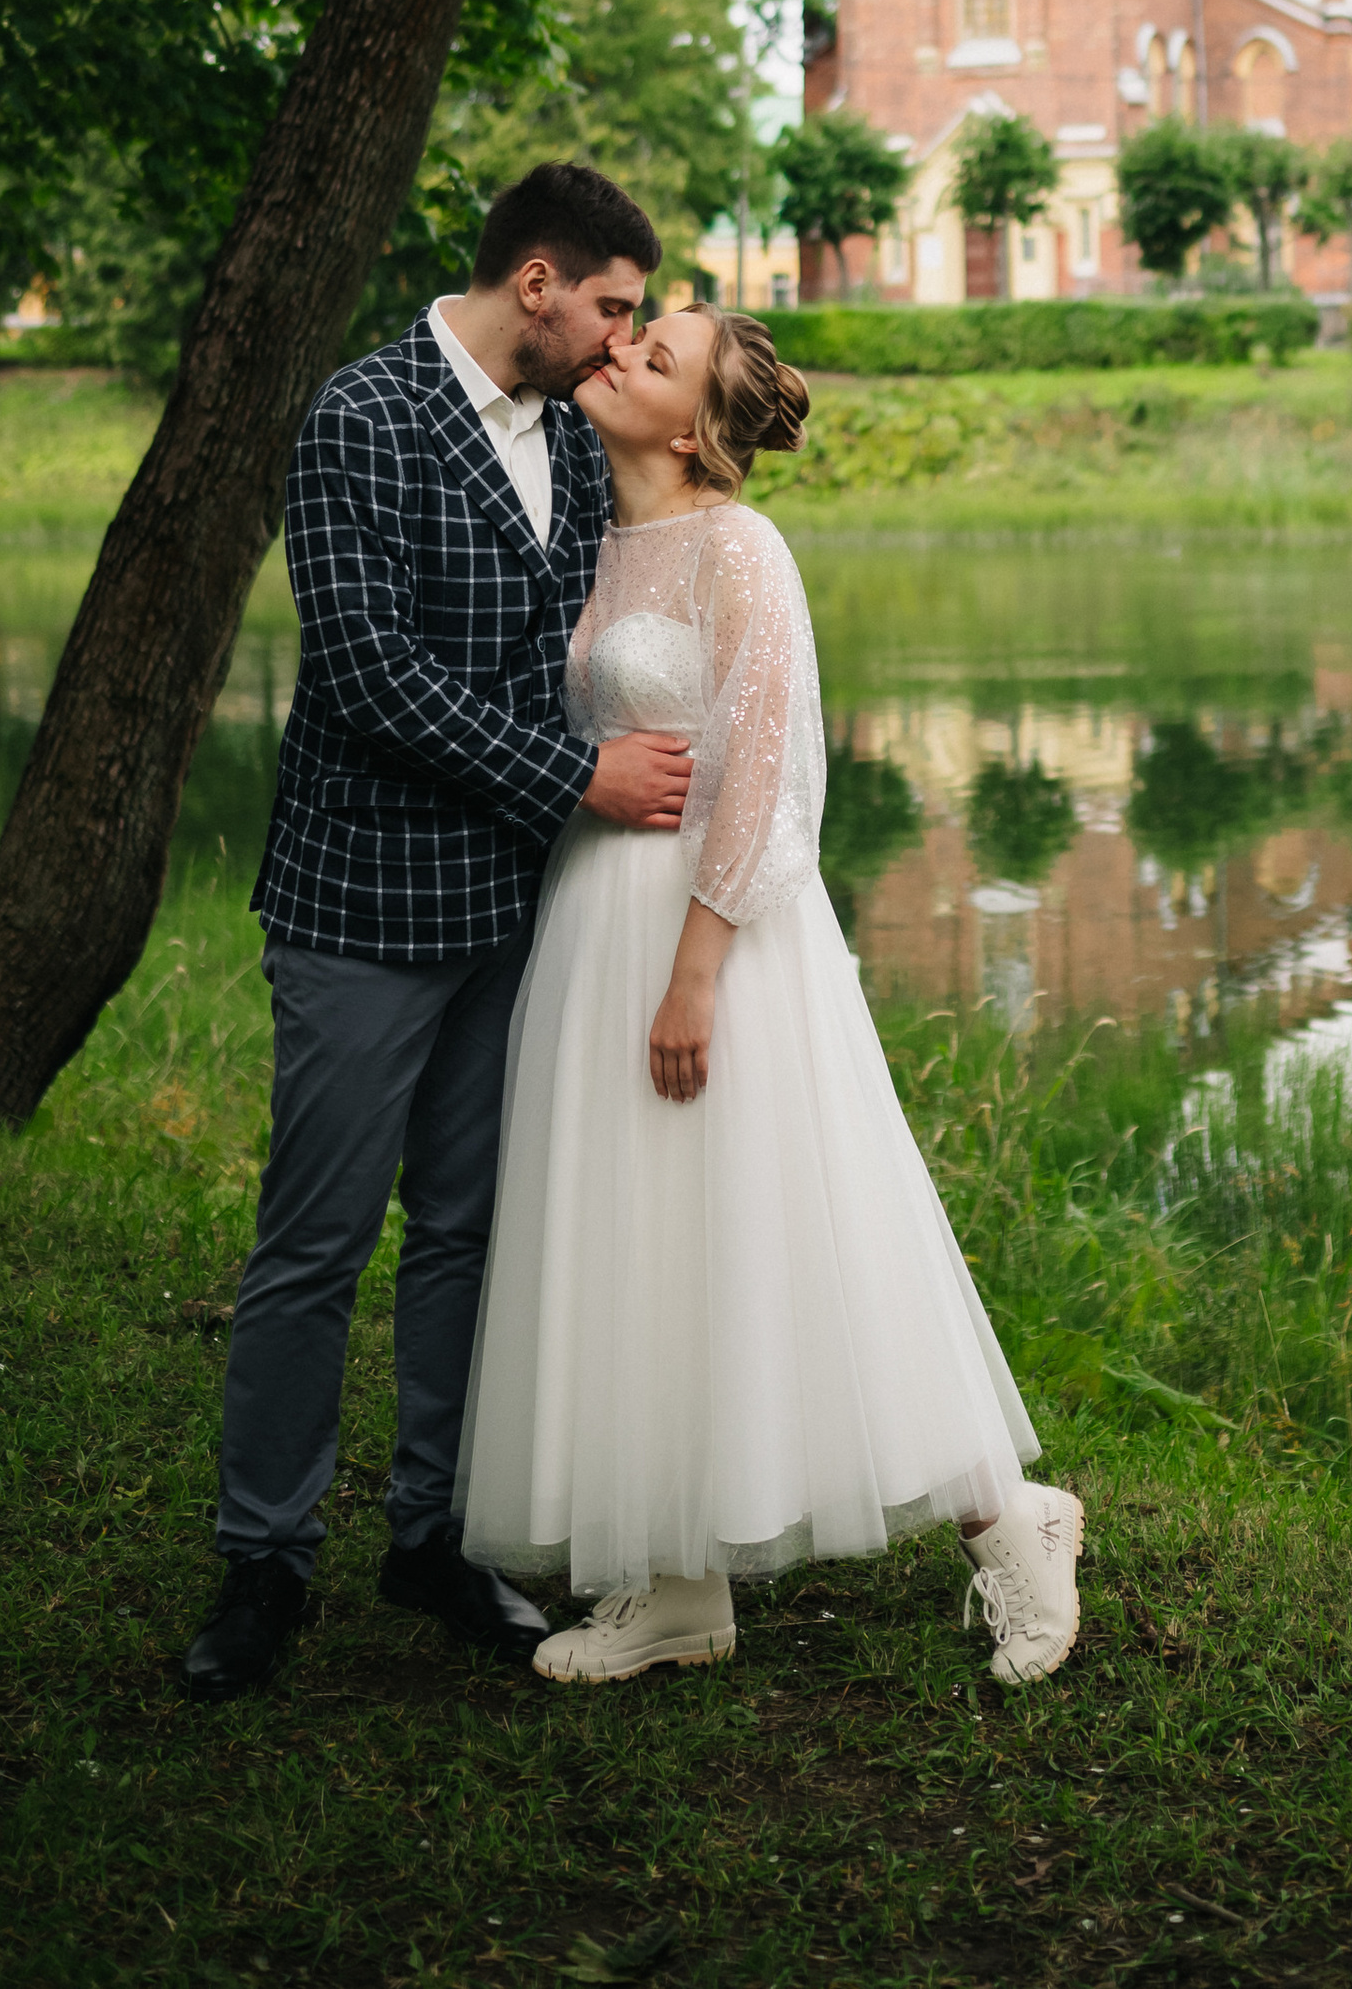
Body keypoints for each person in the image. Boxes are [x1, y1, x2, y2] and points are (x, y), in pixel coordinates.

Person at [453, 305, 1082, 1688]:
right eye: (629, 337)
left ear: (689, 426)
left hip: (717, 938)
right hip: (591, 919)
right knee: (638, 1238)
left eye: (652, 355)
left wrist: (695, 974)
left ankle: (1012, 1522)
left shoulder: (741, 547)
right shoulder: (591, 535)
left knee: (806, 1228)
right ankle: (675, 1588)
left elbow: (773, 775)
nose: (617, 351)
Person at [183, 163, 694, 1707]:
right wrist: (581, 776)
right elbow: (362, 671)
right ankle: (263, 1558)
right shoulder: (363, 414)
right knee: (314, 1245)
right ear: (534, 281)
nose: (618, 342)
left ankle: (433, 1531)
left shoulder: (577, 440)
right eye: (610, 306)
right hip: (361, 908)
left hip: (513, 918)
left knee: (468, 1233)